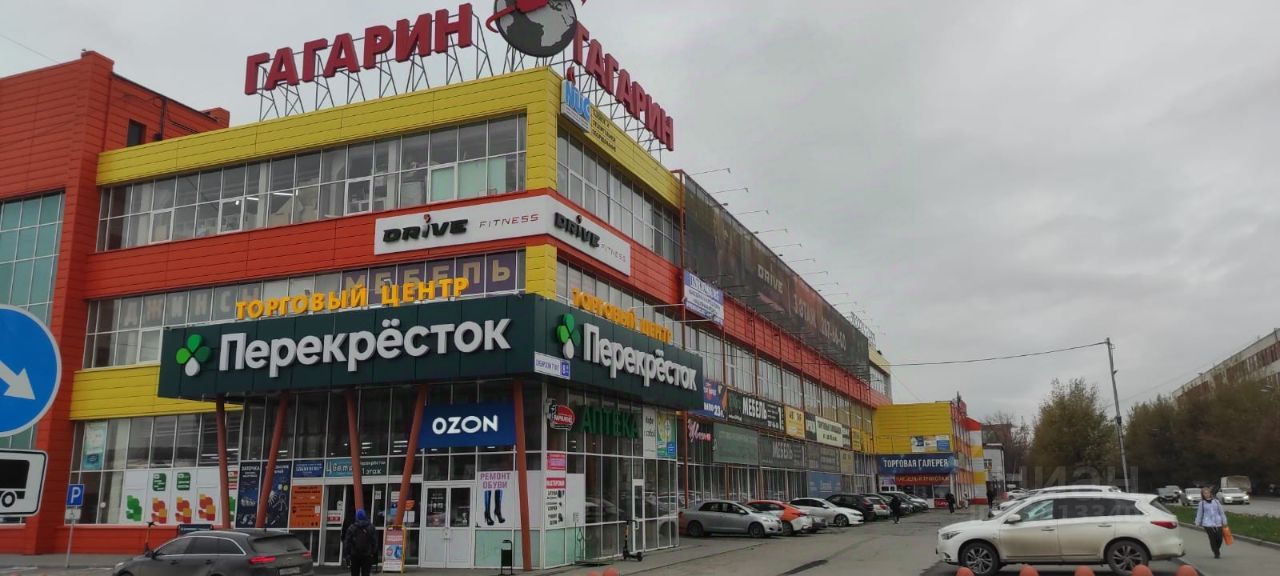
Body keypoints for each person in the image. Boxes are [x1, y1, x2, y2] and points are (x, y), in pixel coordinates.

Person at [1195, 487, 1229, 559]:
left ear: (1210, 493)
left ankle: (1216, 549)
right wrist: (1197, 522)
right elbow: (1199, 513)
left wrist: (1224, 521)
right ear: (1203, 495)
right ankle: (1216, 553)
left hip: (1218, 523)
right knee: (1212, 538)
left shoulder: (1216, 502)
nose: (1207, 494)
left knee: (1219, 538)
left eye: (1208, 493)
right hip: (1207, 524)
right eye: (1205, 493)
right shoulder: (1202, 503)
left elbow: (1221, 512)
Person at [343, 509, 378, 576]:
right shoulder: (371, 527)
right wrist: (372, 552)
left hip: (354, 554)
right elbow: (374, 542)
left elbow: (347, 542)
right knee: (366, 573)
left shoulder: (352, 527)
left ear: (356, 517)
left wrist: (347, 554)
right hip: (367, 555)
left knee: (355, 573)